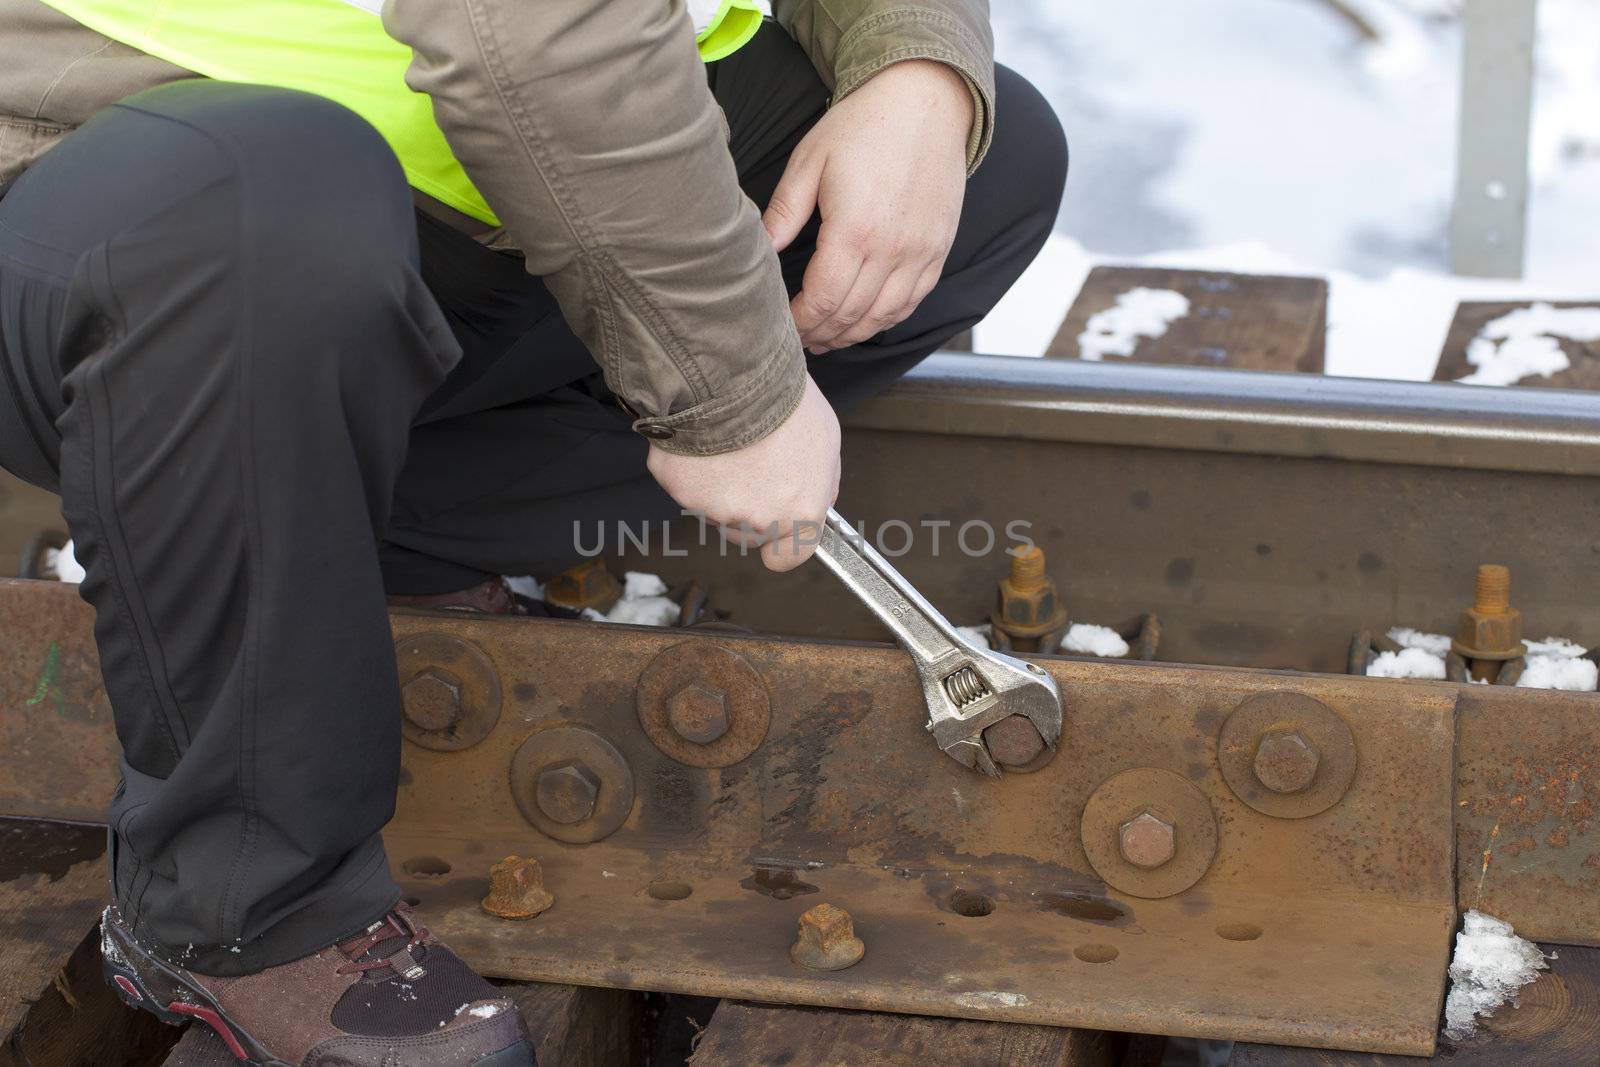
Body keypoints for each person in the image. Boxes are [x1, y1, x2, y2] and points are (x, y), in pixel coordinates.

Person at [0, 0, 1067, 1062]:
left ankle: (362, 521)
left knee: (988, 156)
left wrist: (913, 72)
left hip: (474, 168)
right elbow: (525, 25)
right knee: (265, 203)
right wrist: (730, 393)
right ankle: (243, 904)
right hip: (122, 174)